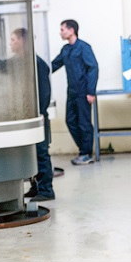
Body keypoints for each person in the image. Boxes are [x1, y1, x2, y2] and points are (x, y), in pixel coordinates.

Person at [9, 28, 55, 201]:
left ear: (22, 41)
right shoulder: (19, 62)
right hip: (28, 117)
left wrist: (37, 115)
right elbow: (2, 65)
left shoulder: (37, 64)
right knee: (31, 154)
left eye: (13, 39)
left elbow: (44, 95)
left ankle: (46, 190)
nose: (10, 43)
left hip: (38, 118)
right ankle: (35, 187)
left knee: (41, 154)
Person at [51, 19, 99, 165]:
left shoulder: (84, 47)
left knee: (84, 123)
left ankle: (86, 154)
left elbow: (93, 68)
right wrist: (38, 70)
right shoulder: (66, 49)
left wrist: (91, 92)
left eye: (62, 29)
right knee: (70, 121)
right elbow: (54, 64)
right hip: (71, 91)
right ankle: (83, 149)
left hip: (83, 91)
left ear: (71, 30)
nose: (60, 33)